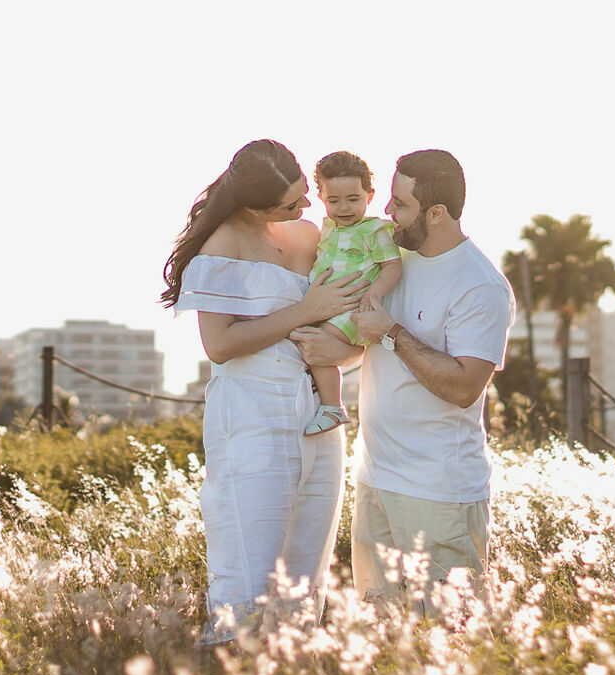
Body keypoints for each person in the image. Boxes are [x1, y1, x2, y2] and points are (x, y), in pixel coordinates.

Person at [160, 139, 365, 644]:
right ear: (253, 204)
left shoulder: (312, 235)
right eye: (291, 203)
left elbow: (345, 322)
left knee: (304, 576)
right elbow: (221, 345)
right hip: (252, 413)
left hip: (320, 416)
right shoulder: (224, 242)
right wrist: (303, 310)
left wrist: (340, 350)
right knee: (248, 573)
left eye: (302, 193)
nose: (306, 207)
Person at [291, 149, 515, 608]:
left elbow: (463, 387)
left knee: (447, 641)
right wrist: (336, 348)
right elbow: (365, 341)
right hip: (375, 481)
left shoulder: (480, 285)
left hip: (438, 495)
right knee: (381, 642)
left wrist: (391, 332)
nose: (387, 212)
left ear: (436, 213)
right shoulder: (394, 261)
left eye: (400, 204)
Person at [300, 151, 403, 437]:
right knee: (304, 338)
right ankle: (320, 399)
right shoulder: (328, 229)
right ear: (321, 197)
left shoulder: (374, 230)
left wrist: (375, 294)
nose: (344, 207)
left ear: (369, 196)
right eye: (334, 200)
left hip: (352, 309)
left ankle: (332, 406)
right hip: (328, 307)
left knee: (318, 345)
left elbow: (392, 266)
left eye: (353, 199)